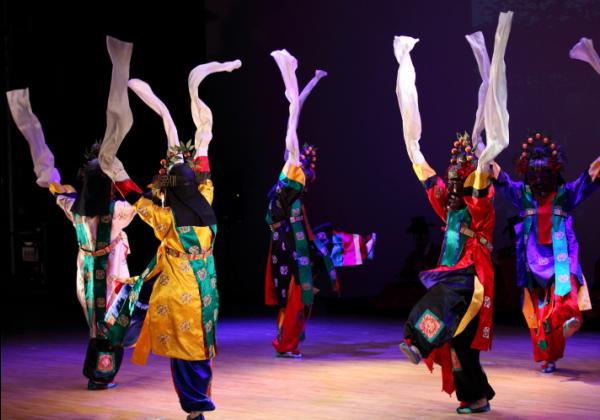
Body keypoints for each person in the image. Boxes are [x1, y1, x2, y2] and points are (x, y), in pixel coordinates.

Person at [99, 59, 241, 420]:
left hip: (178, 290)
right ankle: (198, 403)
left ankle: (194, 406)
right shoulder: (206, 199)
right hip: (207, 289)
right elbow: (202, 169)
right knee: (200, 346)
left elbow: (136, 197)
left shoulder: (166, 218)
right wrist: (197, 142)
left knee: (183, 349)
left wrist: (114, 168)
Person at [393, 11, 513, 414]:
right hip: (456, 272)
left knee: (440, 305)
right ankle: (476, 397)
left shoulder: (480, 206)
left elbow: (478, 184)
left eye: (460, 178)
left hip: (472, 273)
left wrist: (483, 160)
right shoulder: (449, 204)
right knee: (461, 343)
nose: (453, 185)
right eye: (453, 179)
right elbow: (426, 174)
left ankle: (416, 340)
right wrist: (414, 149)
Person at [6, 36, 136, 390]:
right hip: (109, 273)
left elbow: (57, 190)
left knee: (97, 322)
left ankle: (98, 372)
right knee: (110, 323)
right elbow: (139, 203)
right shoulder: (117, 212)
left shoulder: (74, 209)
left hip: (86, 273)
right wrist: (125, 178)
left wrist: (50, 174)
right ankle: (101, 373)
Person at [265, 50, 375, 358]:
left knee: (303, 284)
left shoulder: (295, 179)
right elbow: (294, 114)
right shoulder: (290, 171)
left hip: (290, 236)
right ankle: (286, 342)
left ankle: (288, 341)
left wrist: (312, 82)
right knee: (294, 292)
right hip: (285, 240)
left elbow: (295, 113)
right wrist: (311, 82)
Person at [398, 216, 440, 282]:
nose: (419, 236)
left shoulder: (438, 252)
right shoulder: (412, 257)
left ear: (427, 234)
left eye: (422, 233)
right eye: (415, 233)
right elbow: (403, 276)